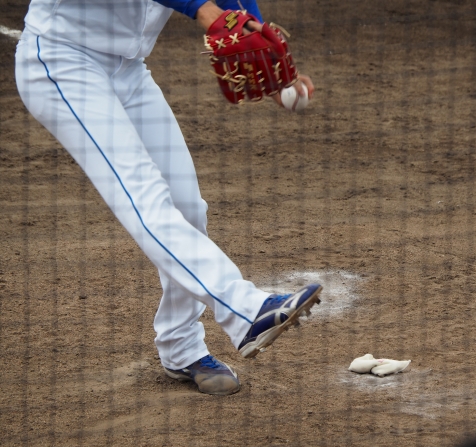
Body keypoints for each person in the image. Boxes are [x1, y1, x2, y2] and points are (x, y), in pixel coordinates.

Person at [14, 0, 321, 396]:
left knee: (186, 207)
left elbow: (232, 8)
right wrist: (200, 8)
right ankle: (246, 310)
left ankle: (181, 348)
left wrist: (257, 42)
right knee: (146, 201)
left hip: (128, 70)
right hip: (62, 61)